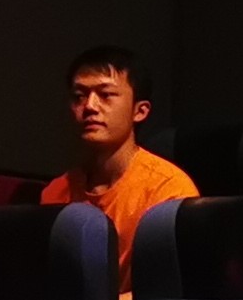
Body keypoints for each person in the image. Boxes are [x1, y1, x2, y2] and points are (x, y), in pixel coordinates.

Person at [44, 44, 201, 276]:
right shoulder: (55, 192)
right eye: (79, 96)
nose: (89, 106)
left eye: (106, 95)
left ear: (140, 111)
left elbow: (172, 286)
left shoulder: (167, 189)